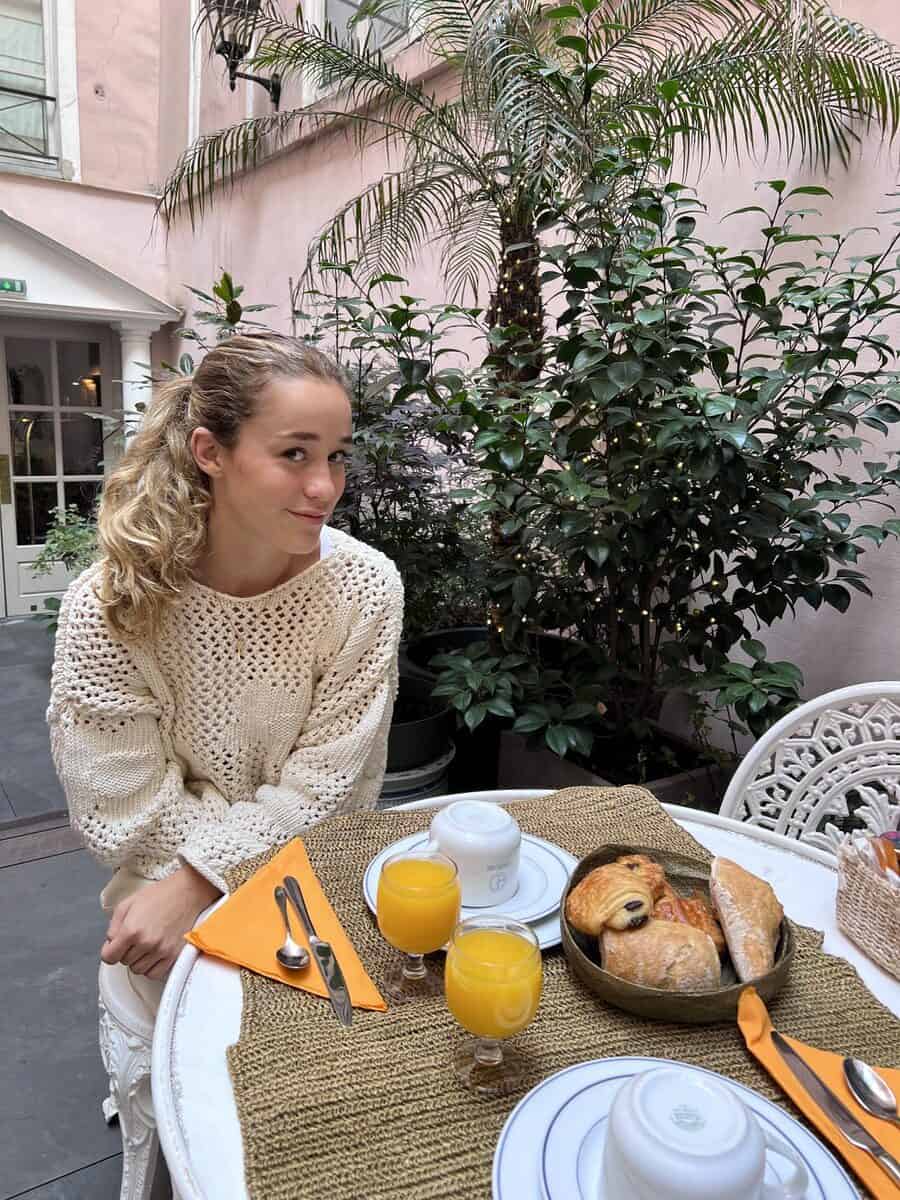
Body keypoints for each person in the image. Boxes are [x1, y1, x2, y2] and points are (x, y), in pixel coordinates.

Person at [47, 333, 404, 1015]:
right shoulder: (113, 604)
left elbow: (331, 786)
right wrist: (194, 879)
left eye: (336, 457)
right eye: (293, 453)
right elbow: (122, 813)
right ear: (211, 452)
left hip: (316, 867)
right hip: (162, 876)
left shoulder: (365, 588)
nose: (324, 486)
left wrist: (204, 877)